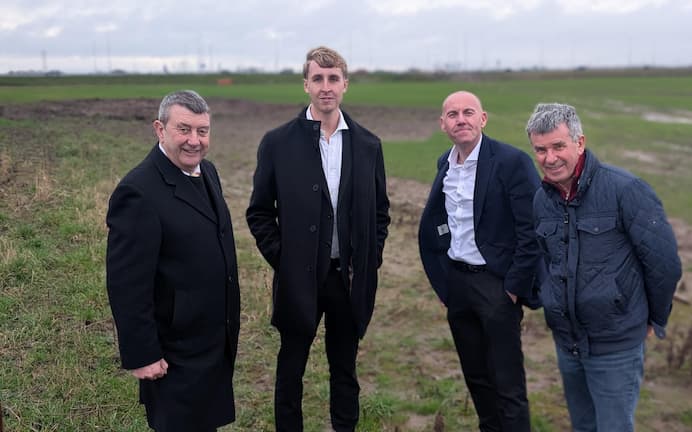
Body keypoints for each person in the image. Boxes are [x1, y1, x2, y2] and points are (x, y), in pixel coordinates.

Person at [245, 46, 390, 432]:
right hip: (299, 281)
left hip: (348, 279)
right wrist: (286, 260)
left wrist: (368, 260)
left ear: (345, 85)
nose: (326, 87)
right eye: (317, 79)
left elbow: (380, 214)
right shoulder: (277, 143)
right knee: (290, 369)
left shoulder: (368, 145)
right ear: (306, 84)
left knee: (345, 369)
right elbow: (259, 212)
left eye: (333, 79)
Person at [525, 102, 682, 432]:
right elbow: (544, 258)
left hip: (615, 343)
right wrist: (550, 297)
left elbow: (663, 263)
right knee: (584, 426)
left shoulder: (626, 190)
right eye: (540, 149)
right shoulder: (542, 200)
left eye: (558, 146)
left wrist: (654, 317)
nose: (549, 158)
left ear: (579, 143)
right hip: (568, 342)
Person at [106, 90, 240, 432]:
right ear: (159, 129)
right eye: (184, 129)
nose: (194, 140)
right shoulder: (138, 191)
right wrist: (142, 354)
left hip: (210, 338)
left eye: (202, 131)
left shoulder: (207, 172)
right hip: (173, 351)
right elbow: (127, 282)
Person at [418, 90, 541, 431]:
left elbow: (532, 231)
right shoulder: (445, 163)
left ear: (482, 118)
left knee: (508, 384)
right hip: (458, 285)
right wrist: (444, 284)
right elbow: (441, 224)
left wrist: (514, 288)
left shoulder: (511, 162)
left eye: (468, 112)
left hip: (497, 287)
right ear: (443, 124)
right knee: (477, 378)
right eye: (453, 114)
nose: (462, 119)